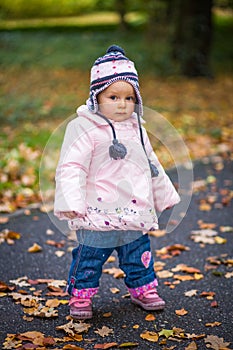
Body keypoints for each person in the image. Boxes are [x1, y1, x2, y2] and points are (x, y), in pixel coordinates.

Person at [54, 45, 180, 319]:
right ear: (96, 97)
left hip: (134, 210)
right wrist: (71, 203)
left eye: (129, 97)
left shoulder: (138, 130)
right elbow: (71, 166)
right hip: (96, 213)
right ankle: (80, 296)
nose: (122, 103)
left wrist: (164, 195)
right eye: (113, 96)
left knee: (138, 254)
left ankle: (143, 289)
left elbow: (152, 165)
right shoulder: (83, 128)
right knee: (88, 258)